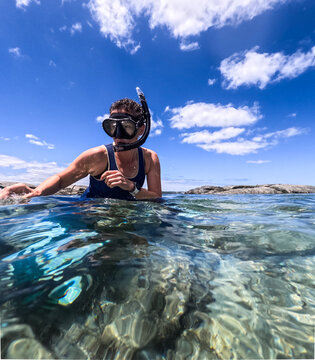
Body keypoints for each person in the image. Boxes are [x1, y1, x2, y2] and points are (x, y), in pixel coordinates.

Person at [0, 88, 161, 201]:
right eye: (112, 127)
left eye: (126, 127)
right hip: (91, 213)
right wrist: (34, 192)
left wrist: (131, 187)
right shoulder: (97, 156)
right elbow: (61, 180)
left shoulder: (150, 158)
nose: (117, 135)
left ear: (141, 129)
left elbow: (156, 197)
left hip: (127, 216)